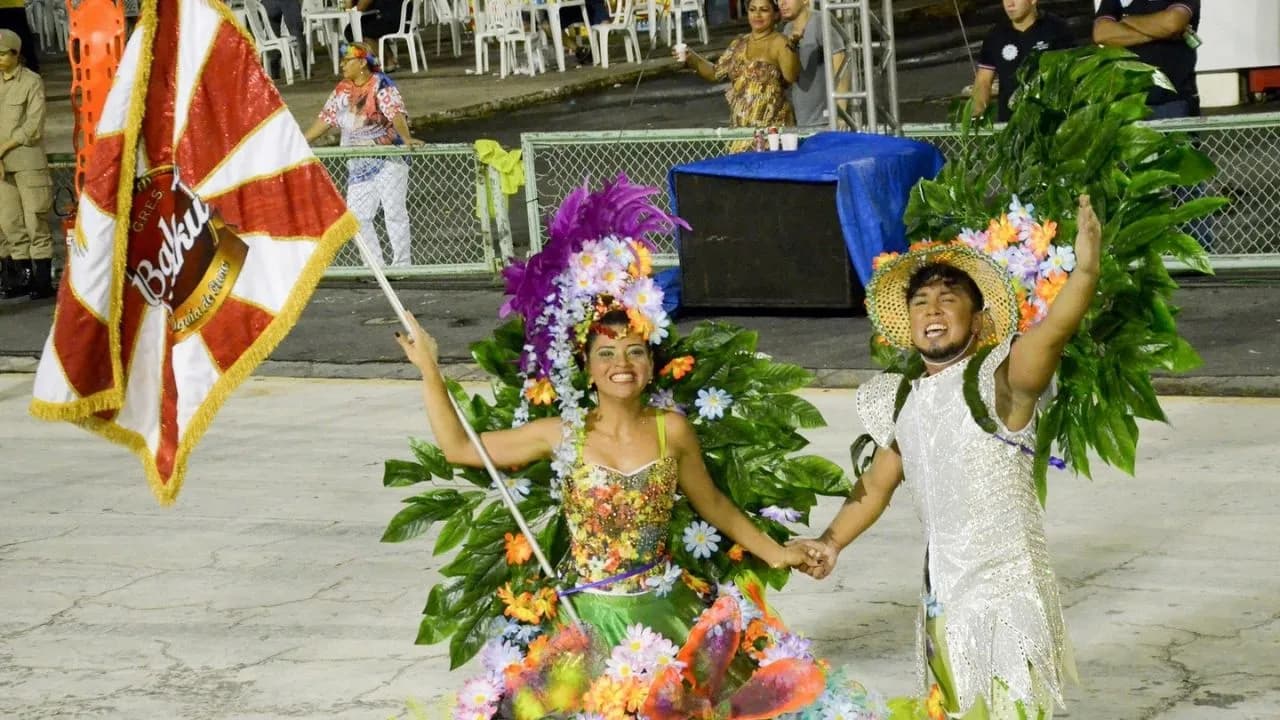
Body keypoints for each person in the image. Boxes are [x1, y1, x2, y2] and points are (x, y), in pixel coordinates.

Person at [395, 178, 884, 720]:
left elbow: (713, 505)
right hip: (585, 617)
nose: (621, 364)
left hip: (666, 612)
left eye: (634, 351)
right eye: (606, 354)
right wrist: (428, 368)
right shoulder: (561, 433)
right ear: (587, 368)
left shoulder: (672, 430)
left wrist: (777, 552)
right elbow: (459, 447)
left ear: (651, 364)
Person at [799, 195, 1103, 719]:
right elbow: (875, 485)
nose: (933, 310)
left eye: (948, 298)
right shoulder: (904, 399)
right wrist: (830, 542)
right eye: (921, 301)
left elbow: (1053, 334)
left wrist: (1086, 272)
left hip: (1006, 603)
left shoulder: (999, 380)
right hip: (941, 599)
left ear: (979, 320)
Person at [304, 42, 421, 267]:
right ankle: (374, 265)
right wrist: (303, 141)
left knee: (394, 212)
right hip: (358, 163)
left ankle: (402, 264)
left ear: (361, 63)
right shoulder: (342, 90)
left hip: (389, 159)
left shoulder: (381, 84)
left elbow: (396, 113)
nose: (342, 65)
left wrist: (405, 137)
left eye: (346, 61)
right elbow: (327, 118)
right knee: (358, 217)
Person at [678, 0, 797, 149]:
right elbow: (715, 73)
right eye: (752, 9)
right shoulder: (739, 43)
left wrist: (790, 48)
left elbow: (792, 76)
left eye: (764, 10)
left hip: (772, 135)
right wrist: (691, 57)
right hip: (740, 133)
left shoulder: (780, 43)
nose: (757, 15)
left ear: (776, 15)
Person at [0, 27, 53, 300]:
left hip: (27, 161)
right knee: (9, 222)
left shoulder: (32, 82)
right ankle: (21, 277)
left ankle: (42, 281)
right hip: (2, 165)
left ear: (15, 54)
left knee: (35, 220)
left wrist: (3, 148)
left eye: (2, 54)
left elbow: (33, 126)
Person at [1093, 0, 1200, 118]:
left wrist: (1126, 20)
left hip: (1172, 101)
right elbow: (1101, 33)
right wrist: (1162, 32)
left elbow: (1172, 23)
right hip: (1127, 101)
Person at [973, 0, 1074, 121]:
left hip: (1050, 122)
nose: (1009, 4)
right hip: (1009, 124)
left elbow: (1073, 73)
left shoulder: (1057, 29)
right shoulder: (995, 36)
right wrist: (977, 114)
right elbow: (983, 81)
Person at [778, 0, 848, 129]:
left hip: (825, 121)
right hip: (800, 121)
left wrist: (840, 114)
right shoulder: (787, 29)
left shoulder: (819, 22)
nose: (782, 3)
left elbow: (840, 60)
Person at [346, 0, 410, 72]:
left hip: (395, 21)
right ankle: (389, 59)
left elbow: (360, 8)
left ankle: (386, 61)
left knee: (354, 30)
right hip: (402, 19)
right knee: (359, 27)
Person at [0, 0, 38, 73]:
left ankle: (32, 65)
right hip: (16, 7)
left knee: (22, 37)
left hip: (9, 8)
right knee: (24, 37)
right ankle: (32, 65)